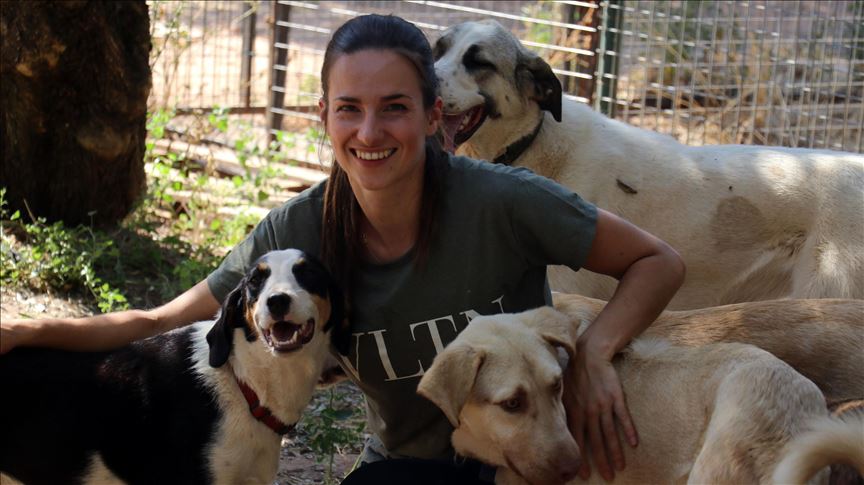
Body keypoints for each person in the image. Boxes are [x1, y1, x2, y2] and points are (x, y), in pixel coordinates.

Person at [1, 14, 684, 484]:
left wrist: (594, 353)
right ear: (322, 117)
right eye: (349, 108)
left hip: (534, 457)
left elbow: (659, 261)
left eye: (394, 106)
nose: (370, 130)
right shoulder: (299, 236)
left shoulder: (502, 200)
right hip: (413, 469)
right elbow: (159, 320)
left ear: (431, 112)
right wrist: (25, 331)